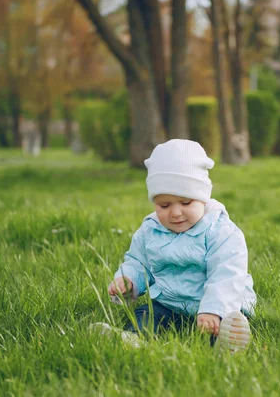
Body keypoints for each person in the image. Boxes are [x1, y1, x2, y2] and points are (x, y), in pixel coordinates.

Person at [91, 139, 256, 351]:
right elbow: (138, 261)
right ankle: (132, 339)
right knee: (146, 314)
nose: (176, 212)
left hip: (218, 302)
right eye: (164, 205)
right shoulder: (150, 230)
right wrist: (128, 280)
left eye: (186, 203)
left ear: (203, 198)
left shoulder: (220, 231)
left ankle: (226, 344)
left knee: (225, 321)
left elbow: (227, 273)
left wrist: (213, 309)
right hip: (170, 303)